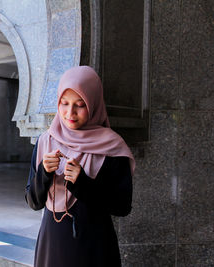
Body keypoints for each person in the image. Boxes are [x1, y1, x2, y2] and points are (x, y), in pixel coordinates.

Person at [25, 66, 135, 267]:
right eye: (64, 103)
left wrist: (82, 182)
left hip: (94, 247)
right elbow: (33, 201)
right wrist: (44, 173)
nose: (70, 113)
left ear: (93, 104)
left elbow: (122, 206)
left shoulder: (112, 147)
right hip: (53, 243)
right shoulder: (45, 141)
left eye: (80, 105)